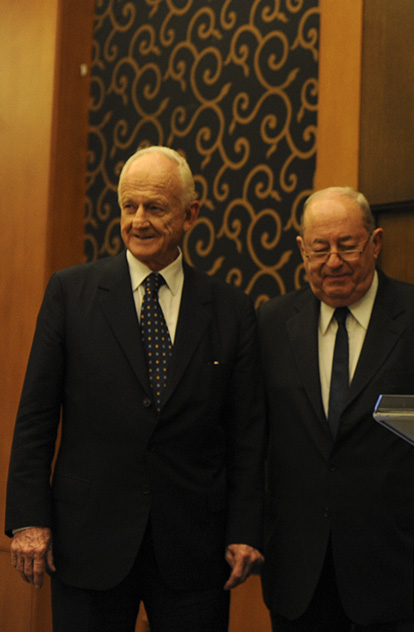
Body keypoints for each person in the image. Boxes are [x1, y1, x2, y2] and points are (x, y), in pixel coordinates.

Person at [5, 146, 266, 632]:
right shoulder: (70, 293)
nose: (139, 221)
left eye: (155, 207)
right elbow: (36, 416)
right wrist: (27, 520)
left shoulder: (231, 309)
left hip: (194, 547)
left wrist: (245, 528)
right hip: (88, 540)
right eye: (130, 207)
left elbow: (247, 433)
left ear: (191, 214)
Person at [258, 186, 414, 631]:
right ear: (302, 249)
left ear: (375, 243)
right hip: (300, 578)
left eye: (347, 246)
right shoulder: (269, 326)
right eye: (319, 248)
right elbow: (254, 443)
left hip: (398, 575)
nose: (333, 261)